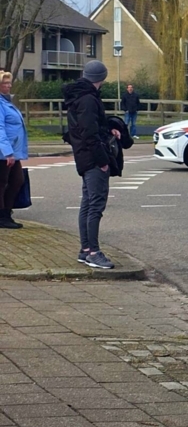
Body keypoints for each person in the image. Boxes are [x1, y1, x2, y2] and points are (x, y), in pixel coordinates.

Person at [64, 60, 120, 270]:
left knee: (87, 203)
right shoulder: (88, 99)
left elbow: (86, 127)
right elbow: (89, 132)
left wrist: (109, 129)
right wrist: (102, 160)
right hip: (92, 158)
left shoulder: (78, 96)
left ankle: (85, 249)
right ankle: (94, 253)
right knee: (95, 205)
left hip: (83, 156)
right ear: (101, 78)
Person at [0, 71, 28, 229]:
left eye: (9, 82)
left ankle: (6, 213)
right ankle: (2, 216)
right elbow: (0, 128)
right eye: (5, 83)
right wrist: (7, 152)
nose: (9, 85)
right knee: (2, 182)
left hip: (12, 151)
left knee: (17, 181)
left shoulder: (6, 102)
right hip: (4, 152)